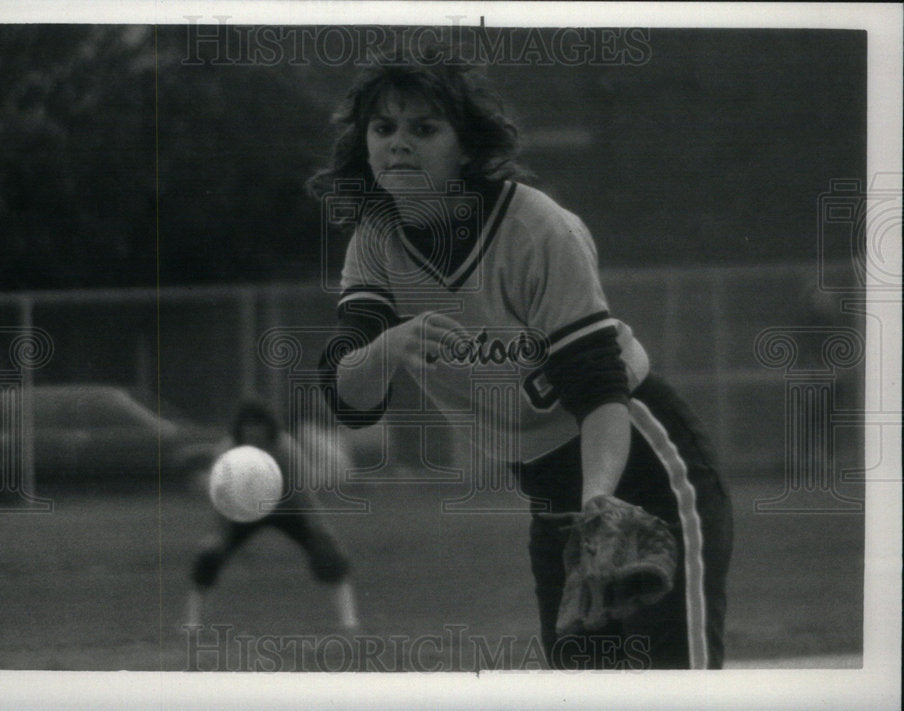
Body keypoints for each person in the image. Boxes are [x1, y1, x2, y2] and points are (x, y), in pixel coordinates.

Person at [309, 50, 733, 669]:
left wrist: (599, 508)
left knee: (677, 687)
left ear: (465, 147)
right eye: (384, 128)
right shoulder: (375, 242)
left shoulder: (535, 230)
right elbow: (350, 401)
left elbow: (599, 390)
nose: (399, 144)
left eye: (424, 128)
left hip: (641, 476)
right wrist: (391, 343)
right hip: (555, 501)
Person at [185, 400, 359, 631]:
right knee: (209, 556)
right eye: (249, 425)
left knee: (328, 553)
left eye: (259, 425)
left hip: (285, 507)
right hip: (244, 510)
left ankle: (349, 620)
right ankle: (192, 622)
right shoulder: (228, 450)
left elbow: (302, 492)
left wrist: (319, 527)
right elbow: (221, 493)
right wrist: (218, 534)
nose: (254, 431)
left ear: (269, 427)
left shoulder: (284, 447)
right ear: (240, 428)